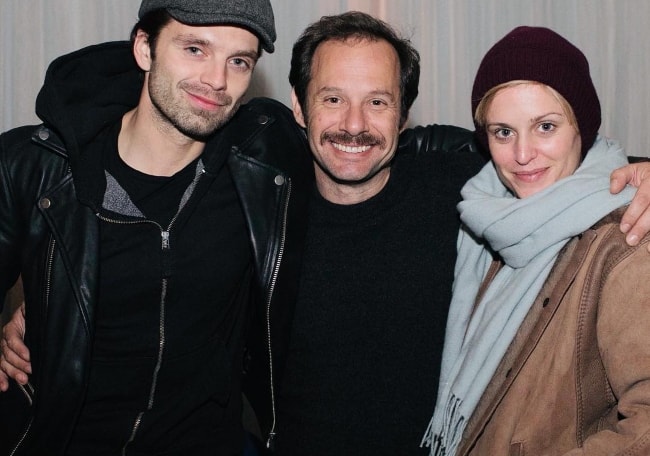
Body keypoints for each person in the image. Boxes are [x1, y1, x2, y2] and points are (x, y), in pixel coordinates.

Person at [4, 11, 650, 456]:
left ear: (405, 114)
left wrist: (644, 171)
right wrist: (42, 299)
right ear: (296, 107)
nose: (354, 123)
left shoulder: (462, 189)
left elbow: (564, 161)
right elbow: (142, 253)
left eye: (378, 101)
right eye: (332, 98)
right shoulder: (251, 200)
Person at [0, 0, 313, 454]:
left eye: (239, 61)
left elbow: (364, 151)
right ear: (145, 49)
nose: (217, 80)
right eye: (195, 49)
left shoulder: (264, 168)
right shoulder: (34, 168)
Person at [422, 26, 650, 456]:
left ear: (581, 126)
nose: (522, 154)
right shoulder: (488, 218)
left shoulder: (626, 240)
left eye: (545, 127)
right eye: (503, 132)